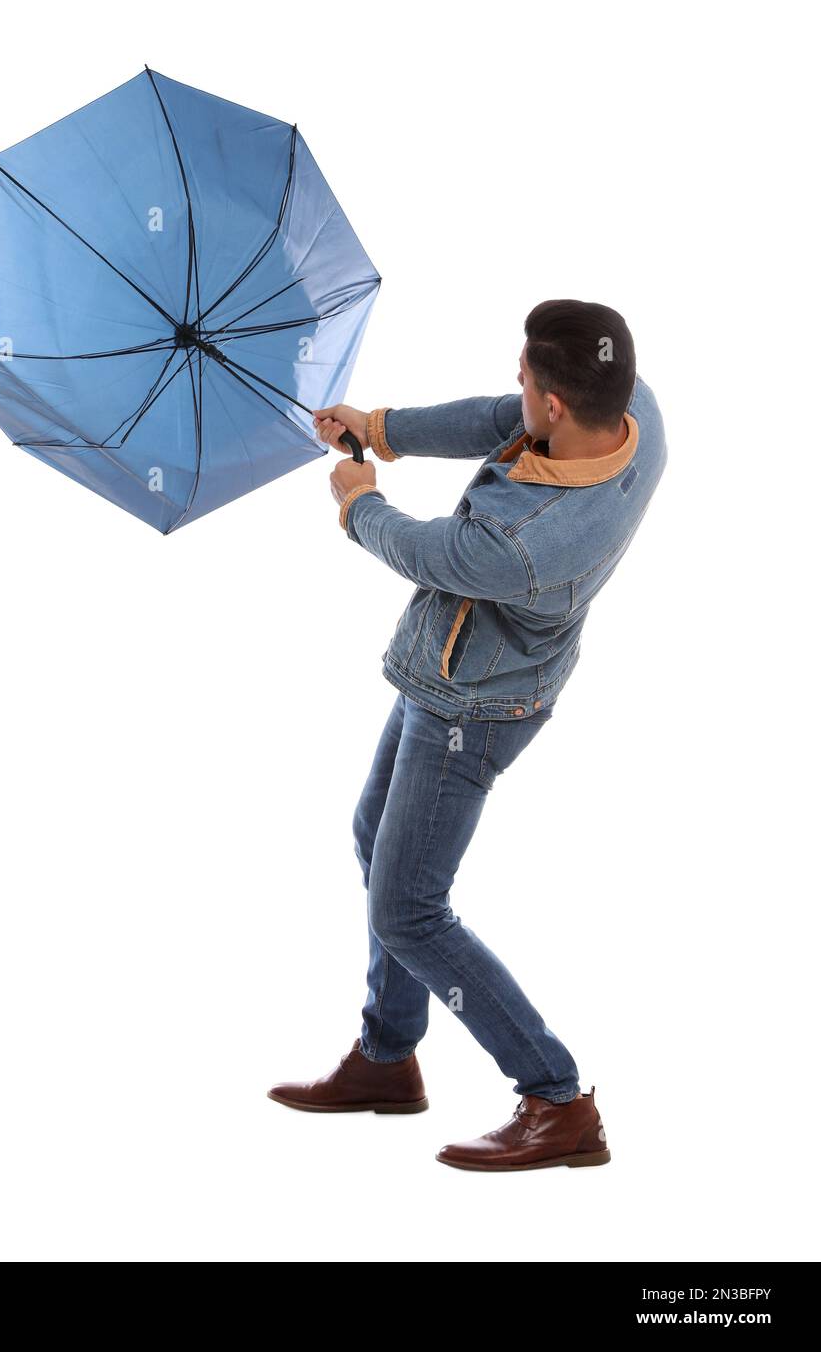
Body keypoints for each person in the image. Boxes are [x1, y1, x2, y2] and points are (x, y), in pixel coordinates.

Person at [267, 300, 666, 1171]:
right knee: (377, 840)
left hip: (472, 711)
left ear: (555, 406)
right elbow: (498, 418)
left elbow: (428, 551)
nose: (516, 388)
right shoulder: (634, 413)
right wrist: (378, 427)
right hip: (447, 670)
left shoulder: (525, 544)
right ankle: (385, 1059)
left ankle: (556, 1100)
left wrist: (355, 500)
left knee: (407, 907)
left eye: (527, 380)